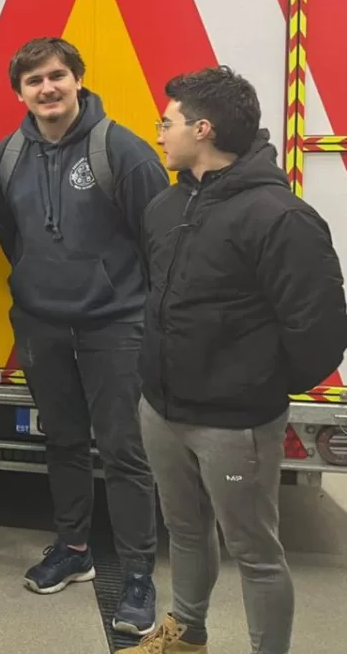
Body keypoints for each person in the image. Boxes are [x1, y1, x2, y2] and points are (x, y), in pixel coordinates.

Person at [127, 67, 347, 654]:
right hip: (161, 408)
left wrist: (254, 387)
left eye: (166, 121)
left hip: (235, 422)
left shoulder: (281, 217)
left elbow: (320, 332)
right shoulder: (165, 207)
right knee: (185, 533)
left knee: (256, 553)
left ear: (203, 129)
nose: (159, 132)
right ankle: (185, 636)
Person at [0, 37, 169, 635]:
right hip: (41, 323)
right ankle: (74, 548)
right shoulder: (5, 157)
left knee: (123, 450)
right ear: (20, 92)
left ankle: (138, 572)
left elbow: (158, 241)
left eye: (57, 76)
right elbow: (13, 237)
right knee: (61, 440)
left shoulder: (124, 151)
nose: (48, 88)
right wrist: (44, 287)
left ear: (79, 80)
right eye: (34, 81)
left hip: (116, 324)